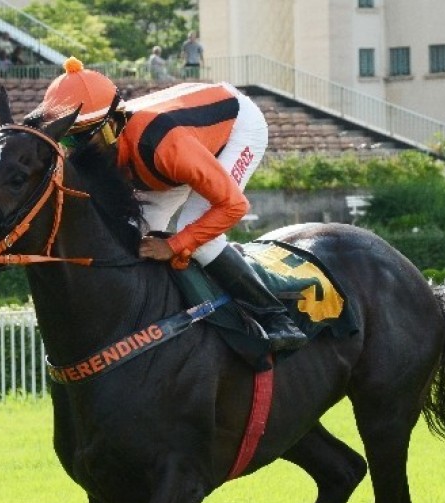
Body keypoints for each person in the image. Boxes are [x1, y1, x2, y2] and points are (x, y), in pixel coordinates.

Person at [36, 58, 306, 351]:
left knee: (198, 237)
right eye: (70, 141)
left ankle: (276, 319)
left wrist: (174, 246)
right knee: (131, 233)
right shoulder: (110, 137)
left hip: (236, 127)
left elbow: (233, 206)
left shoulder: (164, 146)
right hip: (172, 149)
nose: (78, 150)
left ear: (112, 126)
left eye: (83, 139)